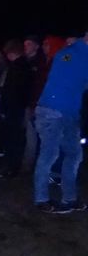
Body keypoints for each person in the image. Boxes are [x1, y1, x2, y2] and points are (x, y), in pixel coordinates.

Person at [33, 29, 88, 213]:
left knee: (74, 154)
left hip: (70, 113)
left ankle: (69, 198)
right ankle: (41, 199)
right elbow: (63, 65)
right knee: (50, 154)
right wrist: (74, 45)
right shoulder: (68, 53)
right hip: (52, 110)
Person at [0, 40, 32, 177]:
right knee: (14, 137)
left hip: (13, 108)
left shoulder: (17, 67)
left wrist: (5, 108)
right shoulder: (23, 66)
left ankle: (12, 167)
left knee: (12, 138)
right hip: (17, 107)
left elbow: (12, 90)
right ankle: (11, 166)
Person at [22, 36, 46, 167]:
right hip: (25, 103)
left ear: (36, 46)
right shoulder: (23, 62)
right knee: (27, 134)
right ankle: (28, 162)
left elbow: (38, 85)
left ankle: (32, 163)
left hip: (38, 104)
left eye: (29, 44)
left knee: (35, 134)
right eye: (25, 44)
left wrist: (35, 104)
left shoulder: (42, 63)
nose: (26, 47)